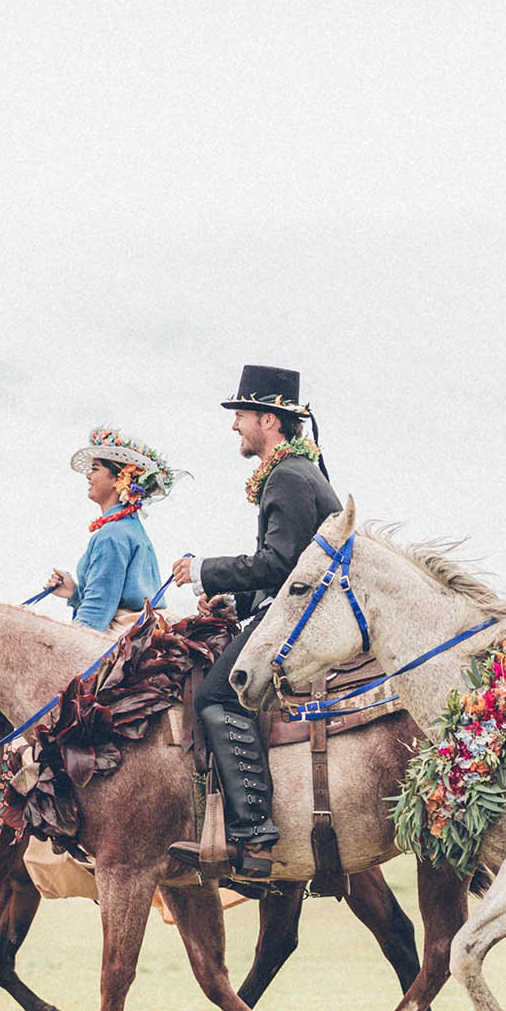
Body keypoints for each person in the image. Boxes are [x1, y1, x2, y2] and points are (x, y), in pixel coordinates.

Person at [166, 365, 340, 880]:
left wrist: (204, 573)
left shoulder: (287, 476)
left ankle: (254, 836)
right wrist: (234, 605)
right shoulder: (299, 472)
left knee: (214, 697)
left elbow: (280, 563)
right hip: (296, 611)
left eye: (240, 415)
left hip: (302, 622)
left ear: (268, 419)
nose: (234, 426)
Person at [44, 427, 178, 633]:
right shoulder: (130, 528)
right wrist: (75, 593)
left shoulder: (112, 534)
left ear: (119, 478)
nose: (88, 476)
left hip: (122, 639)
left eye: (95, 468)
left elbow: (97, 611)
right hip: (140, 633)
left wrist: (67, 648)